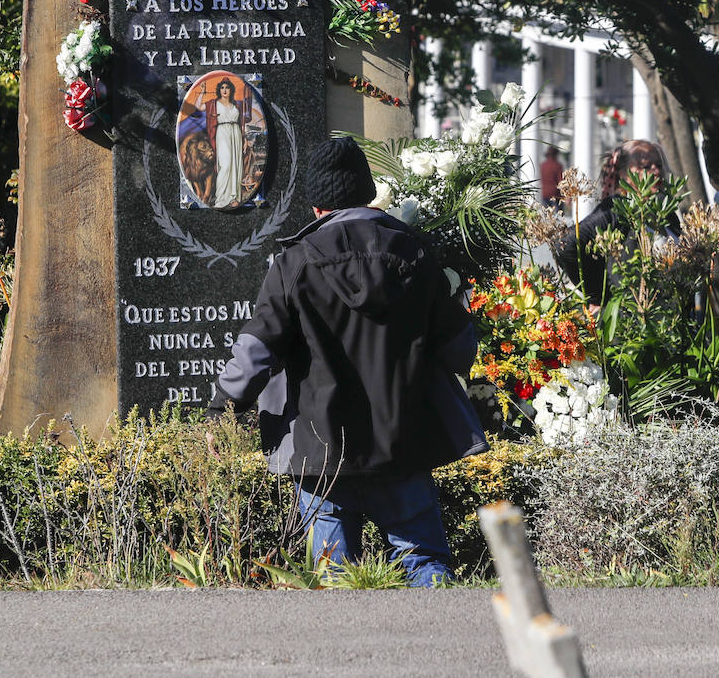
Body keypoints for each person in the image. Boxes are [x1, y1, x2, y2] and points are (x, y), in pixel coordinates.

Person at [207, 137, 488, 587]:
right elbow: (459, 349)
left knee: (333, 579)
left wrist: (222, 404)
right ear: (366, 193)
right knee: (425, 566)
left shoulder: (294, 262)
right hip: (403, 446)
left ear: (317, 206)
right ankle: (444, 652)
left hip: (321, 456)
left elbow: (257, 350)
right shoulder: (414, 251)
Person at [553, 138, 678, 305]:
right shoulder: (615, 209)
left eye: (659, 165)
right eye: (646, 166)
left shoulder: (666, 210)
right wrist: (599, 297)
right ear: (624, 175)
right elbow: (567, 243)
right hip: (632, 319)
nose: (656, 171)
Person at [206, 77, 248, 208]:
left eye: (227, 87)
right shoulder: (214, 104)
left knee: (235, 165)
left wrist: (244, 139)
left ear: (231, 90)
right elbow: (203, 112)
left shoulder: (236, 105)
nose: (224, 90)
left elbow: (241, 124)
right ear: (219, 90)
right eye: (222, 88)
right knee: (226, 164)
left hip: (235, 133)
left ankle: (233, 198)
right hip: (222, 133)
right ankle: (220, 199)